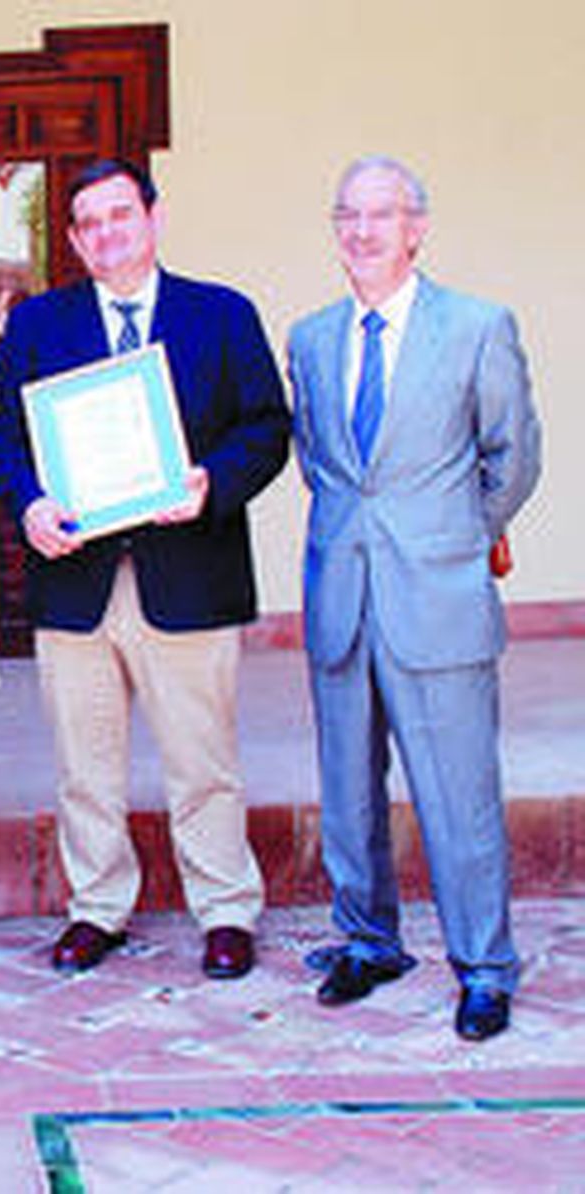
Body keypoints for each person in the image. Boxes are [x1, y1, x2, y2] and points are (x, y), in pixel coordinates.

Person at [0, 158, 289, 981]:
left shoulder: (221, 314)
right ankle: (98, 909)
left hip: (189, 572)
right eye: (89, 222)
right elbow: (3, 437)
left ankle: (225, 909)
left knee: (204, 760)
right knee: (85, 763)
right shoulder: (39, 326)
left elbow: (266, 427)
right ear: (75, 241)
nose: (108, 232)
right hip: (76, 582)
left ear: (151, 218)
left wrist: (210, 484)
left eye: (122, 214)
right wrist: (31, 505)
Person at [288, 156, 542, 1041]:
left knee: (457, 795)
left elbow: (513, 457)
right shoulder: (312, 339)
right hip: (341, 594)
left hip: (438, 597)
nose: (363, 232)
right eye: (348, 215)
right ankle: (367, 941)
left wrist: (455, 541)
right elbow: (323, 461)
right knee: (348, 791)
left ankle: (484, 966)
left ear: (417, 226)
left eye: (382, 215)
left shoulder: (476, 327)